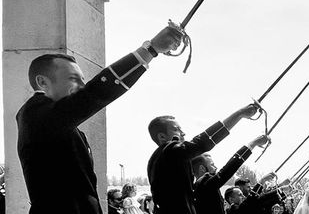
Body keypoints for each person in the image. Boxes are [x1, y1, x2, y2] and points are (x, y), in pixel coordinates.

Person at [17, 25, 183, 214]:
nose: (82, 86)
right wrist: (151, 49)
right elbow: (93, 93)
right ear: (42, 82)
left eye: (82, 80)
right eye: (73, 79)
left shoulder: (57, 122)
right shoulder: (33, 115)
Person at [147, 103, 261, 214]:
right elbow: (203, 141)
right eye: (177, 130)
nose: (183, 133)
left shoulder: (161, 160)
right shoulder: (169, 151)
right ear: (162, 137)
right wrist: (239, 114)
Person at [192, 134, 271, 214]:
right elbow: (227, 170)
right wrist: (253, 144)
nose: (216, 168)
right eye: (212, 165)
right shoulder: (204, 184)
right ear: (202, 168)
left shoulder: (197, 190)